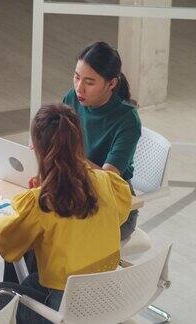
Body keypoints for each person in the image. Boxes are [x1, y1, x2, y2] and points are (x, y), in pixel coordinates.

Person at [0, 104, 132, 323]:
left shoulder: (41, 201)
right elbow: (120, 214)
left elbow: (4, 241)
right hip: (105, 301)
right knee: (32, 280)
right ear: (79, 143)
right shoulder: (107, 182)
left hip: (63, 312)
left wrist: (32, 196)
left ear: (37, 148)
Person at [63, 41, 141, 240]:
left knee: (53, 236)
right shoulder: (72, 98)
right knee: (28, 231)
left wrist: (69, 155)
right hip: (75, 187)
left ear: (112, 83)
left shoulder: (127, 119)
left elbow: (107, 179)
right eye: (76, 77)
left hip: (116, 205)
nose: (80, 88)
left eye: (89, 82)